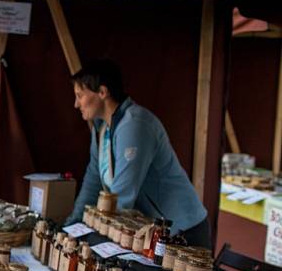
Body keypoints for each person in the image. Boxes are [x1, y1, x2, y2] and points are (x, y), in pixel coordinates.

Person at [65, 59, 211, 248]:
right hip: (155, 231)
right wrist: (72, 225)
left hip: (183, 230)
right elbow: (92, 180)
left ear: (102, 92)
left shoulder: (135, 125)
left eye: (80, 95)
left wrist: (89, 236)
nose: (76, 104)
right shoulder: (101, 127)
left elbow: (121, 196)